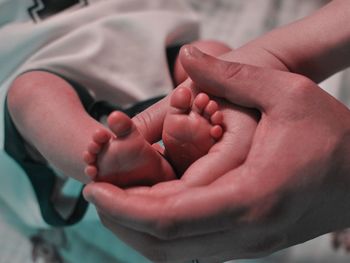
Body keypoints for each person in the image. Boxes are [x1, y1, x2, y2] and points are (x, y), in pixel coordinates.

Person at [83, 0, 350, 262]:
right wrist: (275, 57)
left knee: (208, 55)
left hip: (122, 45)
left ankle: (154, 161)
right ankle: (155, 159)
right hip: (103, 53)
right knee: (207, 58)